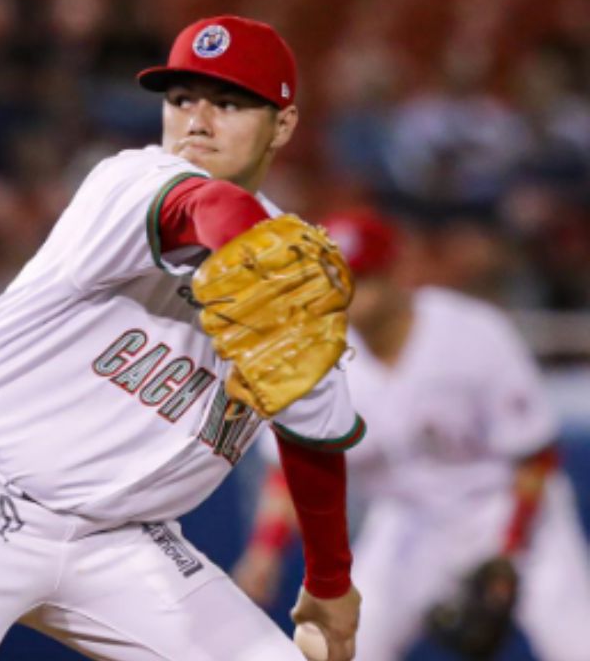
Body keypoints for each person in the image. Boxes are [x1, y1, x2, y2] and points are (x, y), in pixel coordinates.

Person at [0, 15, 365, 661]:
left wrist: (330, 583)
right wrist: (251, 247)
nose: (198, 121)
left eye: (230, 103)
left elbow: (314, 432)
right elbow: (201, 209)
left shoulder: (293, 278)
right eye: (182, 98)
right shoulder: (132, 183)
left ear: (285, 125)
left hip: (119, 543)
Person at [233, 209, 590, 661]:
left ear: (395, 274)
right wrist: (265, 550)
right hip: (409, 519)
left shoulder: (471, 332)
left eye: (358, 277)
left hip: (509, 510)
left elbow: (535, 455)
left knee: (578, 646)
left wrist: (509, 552)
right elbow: (293, 468)